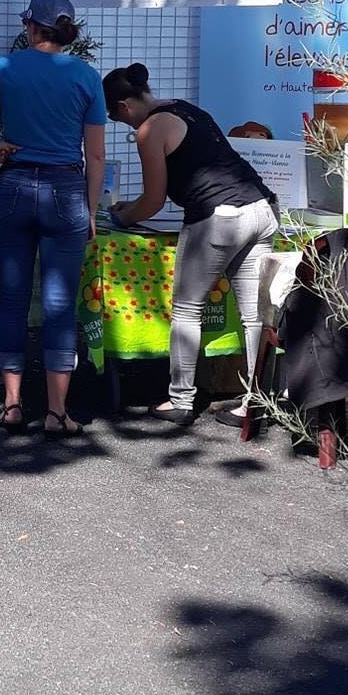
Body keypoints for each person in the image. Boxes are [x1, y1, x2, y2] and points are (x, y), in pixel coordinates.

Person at [0, 0, 105, 438]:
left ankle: (12, 405)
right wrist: (91, 209)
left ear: (30, 27)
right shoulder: (87, 77)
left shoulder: (5, 67)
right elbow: (95, 155)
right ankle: (57, 412)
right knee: (59, 305)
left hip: (13, 187)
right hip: (66, 191)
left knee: (13, 299)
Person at [102, 63, 278, 428]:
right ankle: (255, 402)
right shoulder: (188, 109)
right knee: (253, 316)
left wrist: (121, 216)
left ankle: (180, 400)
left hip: (218, 218)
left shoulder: (150, 129)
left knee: (186, 308)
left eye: (117, 118)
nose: (124, 125)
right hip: (261, 207)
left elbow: (153, 201)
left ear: (124, 106)